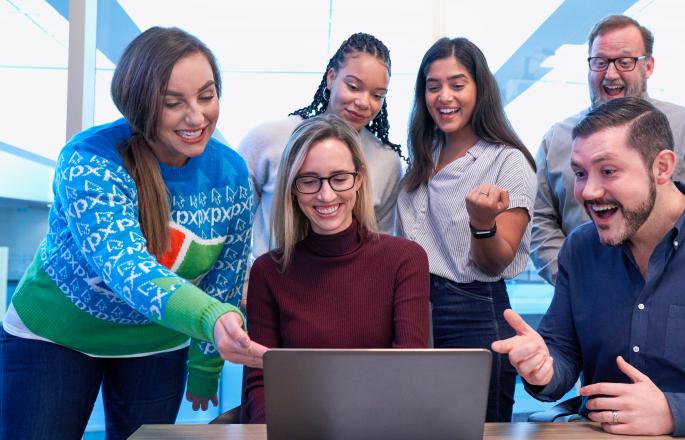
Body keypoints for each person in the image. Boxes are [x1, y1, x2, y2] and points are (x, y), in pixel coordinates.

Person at [0, 27, 266, 440]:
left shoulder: (229, 172)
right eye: (173, 103)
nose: (196, 117)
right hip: (56, 337)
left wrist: (206, 364)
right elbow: (126, 267)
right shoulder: (89, 159)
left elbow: (225, 276)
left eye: (207, 95)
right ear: (139, 103)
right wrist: (210, 319)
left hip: (156, 345)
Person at [492, 97, 685, 436]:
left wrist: (675, 413)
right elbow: (562, 353)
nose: (587, 191)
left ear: (662, 168)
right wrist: (543, 368)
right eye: (579, 173)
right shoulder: (581, 249)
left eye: (608, 171)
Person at [531, 14, 685, 285]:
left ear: (648, 66)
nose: (610, 74)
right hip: (589, 300)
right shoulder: (557, 139)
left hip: (681, 292)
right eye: (599, 62)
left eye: (625, 62)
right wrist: (574, 280)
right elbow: (540, 224)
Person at [242, 115, 430, 423]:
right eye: (309, 180)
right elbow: (261, 385)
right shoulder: (268, 272)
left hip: (380, 428)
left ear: (358, 179)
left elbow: (407, 373)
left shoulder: (405, 260)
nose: (326, 195)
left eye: (339, 178)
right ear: (292, 187)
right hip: (297, 429)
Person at [397, 37, 537, 422]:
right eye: (433, 85)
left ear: (480, 89)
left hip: (473, 311)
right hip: (413, 308)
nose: (444, 96)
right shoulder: (422, 156)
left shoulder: (508, 162)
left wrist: (481, 224)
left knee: (476, 429)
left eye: (457, 84)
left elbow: (496, 262)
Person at [238, 32, 405, 260]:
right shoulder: (268, 139)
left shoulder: (387, 163)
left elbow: (377, 245)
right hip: (267, 283)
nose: (364, 102)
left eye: (377, 95)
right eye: (354, 87)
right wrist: (247, 281)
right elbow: (233, 222)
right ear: (331, 78)